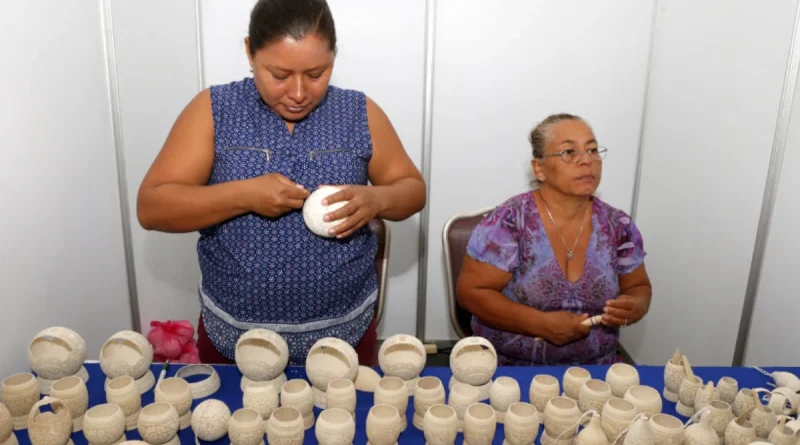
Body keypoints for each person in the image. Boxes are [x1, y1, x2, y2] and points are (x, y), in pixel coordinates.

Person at [136, 0, 425, 366]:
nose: (299, 92)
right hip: (236, 341)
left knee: (346, 422)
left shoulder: (358, 112)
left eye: (317, 73)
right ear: (249, 52)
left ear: (334, 57)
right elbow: (152, 206)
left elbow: (412, 189)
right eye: (280, 74)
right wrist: (244, 194)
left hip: (342, 340)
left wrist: (376, 199)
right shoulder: (214, 109)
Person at [456, 113, 652, 365]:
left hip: (596, 372)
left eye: (592, 150)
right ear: (539, 168)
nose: (586, 161)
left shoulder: (619, 226)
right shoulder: (510, 221)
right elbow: (471, 292)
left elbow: (639, 288)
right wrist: (542, 324)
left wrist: (634, 306)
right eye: (569, 152)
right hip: (509, 370)